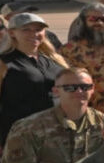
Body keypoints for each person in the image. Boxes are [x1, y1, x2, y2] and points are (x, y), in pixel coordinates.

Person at [0, 13, 67, 145]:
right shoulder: (4, 63)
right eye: (26, 29)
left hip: (56, 134)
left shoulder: (55, 61)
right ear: (12, 33)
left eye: (38, 29)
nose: (34, 34)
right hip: (18, 137)